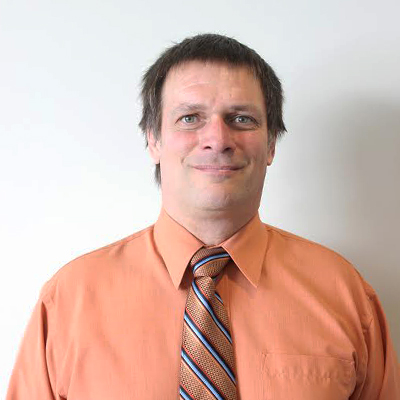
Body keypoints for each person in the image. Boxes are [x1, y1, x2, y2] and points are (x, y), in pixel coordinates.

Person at [6, 33, 400, 400]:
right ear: (153, 140)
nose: (218, 139)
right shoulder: (69, 301)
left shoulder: (344, 295)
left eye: (241, 118)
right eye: (190, 117)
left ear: (271, 144)